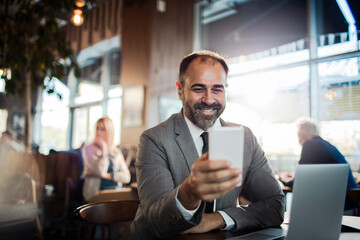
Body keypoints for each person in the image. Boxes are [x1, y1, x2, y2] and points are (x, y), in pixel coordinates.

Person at [123, 50, 285, 240]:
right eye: (198, 89)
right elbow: (157, 223)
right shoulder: (154, 139)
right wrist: (189, 191)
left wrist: (217, 219)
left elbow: (275, 206)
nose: (209, 100)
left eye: (217, 89)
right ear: (180, 90)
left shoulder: (244, 137)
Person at [280, 117, 358, 211]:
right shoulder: (325, 145)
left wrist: (282, 178)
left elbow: (300, 180)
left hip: (338, 205)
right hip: (350, 201)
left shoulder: (310, 145)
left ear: (301, 134)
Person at [81, 117, 131, 201]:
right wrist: (104, 148)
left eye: (102, 129)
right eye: (97, 128)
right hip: (96, 194)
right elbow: (100, 171)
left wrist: (108, 175)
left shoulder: (116, 152)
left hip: (115, 193)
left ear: (109, 132)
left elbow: (126, 177)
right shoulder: (89, 149)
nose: (98, 132)